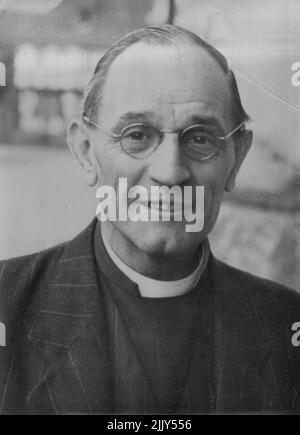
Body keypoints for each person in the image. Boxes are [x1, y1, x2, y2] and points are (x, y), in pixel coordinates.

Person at [0, 25, 299, 415]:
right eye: (137, 135)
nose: (170, 172)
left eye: (200, 138)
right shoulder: (6, 305)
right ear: (86, 152)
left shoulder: (286, 327)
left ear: (237, 158)